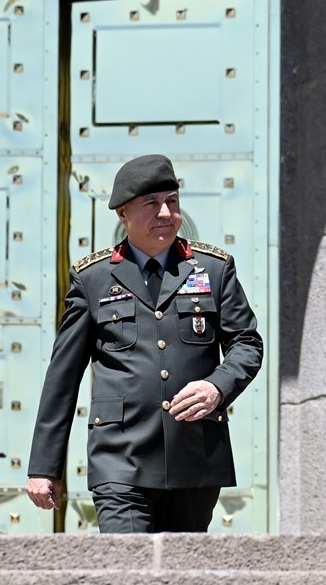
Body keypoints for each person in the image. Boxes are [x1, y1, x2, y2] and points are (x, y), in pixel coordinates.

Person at [26, 154, 263, 532]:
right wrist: (44, 467)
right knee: (128, 563)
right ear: (123, 214)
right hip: (121, 457)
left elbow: (246, 343)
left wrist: (218, 387)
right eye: (151, 204)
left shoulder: (214, 269)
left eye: (172, 201)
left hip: (194, 455)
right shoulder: (93, 278)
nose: (165, 213)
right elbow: (63, 377)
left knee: (182, 567)